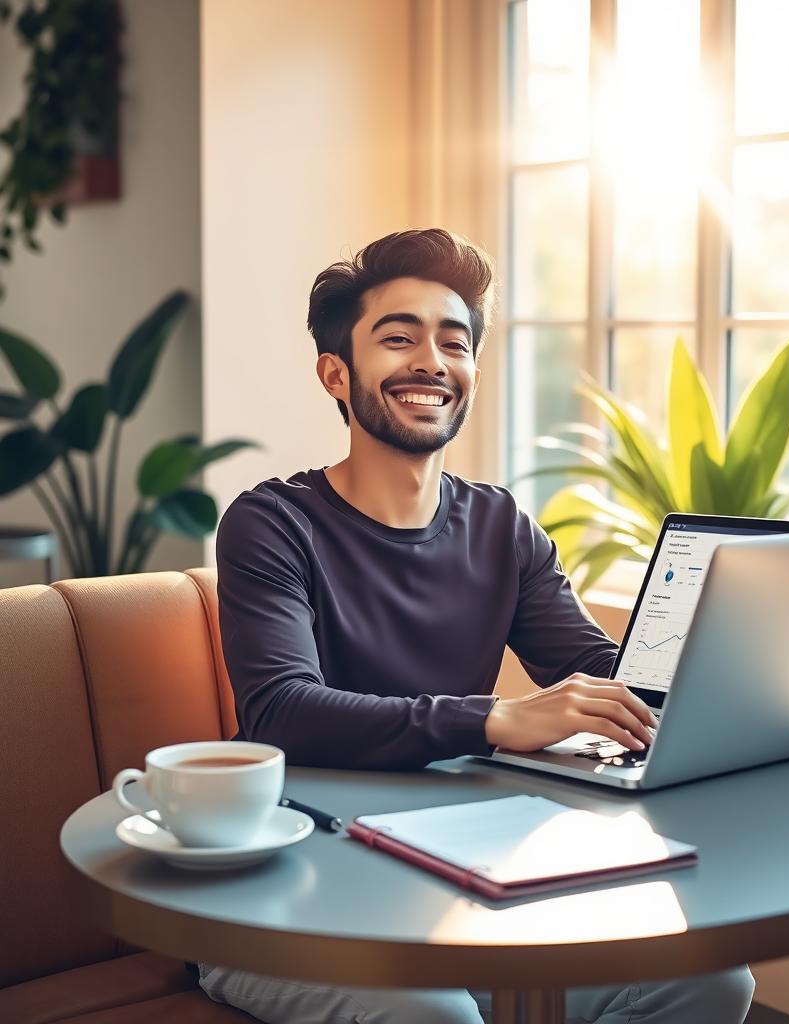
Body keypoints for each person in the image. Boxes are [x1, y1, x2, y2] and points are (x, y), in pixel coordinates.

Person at [197, 228, 755, 1024]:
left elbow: (597, 669)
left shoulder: (501, 525)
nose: (431, 361)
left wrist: (709, 669)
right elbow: (282, 710)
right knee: (439, 1019)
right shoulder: (271, 523)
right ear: (335, 373)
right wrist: (496, 718)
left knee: (709, 982)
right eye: (399, 338)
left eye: (452, 343)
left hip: (449, 870)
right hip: (288, 889)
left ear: (472, 374)